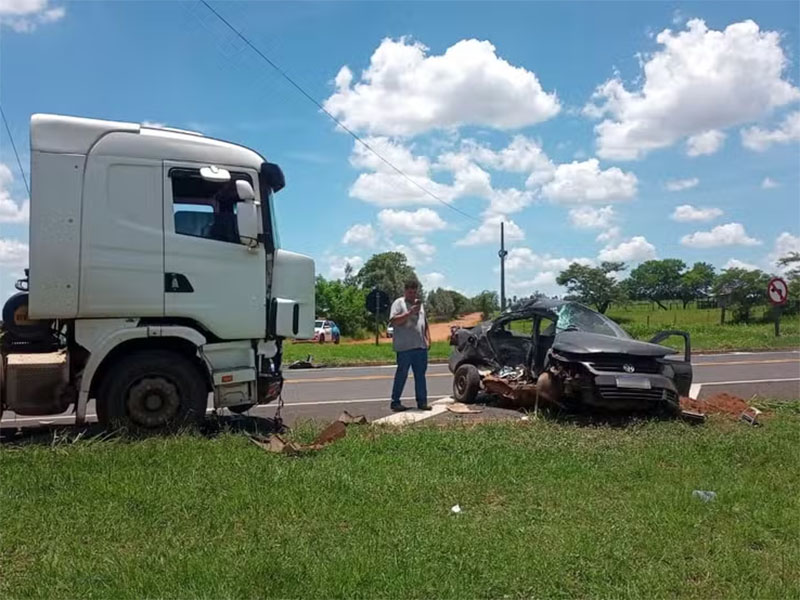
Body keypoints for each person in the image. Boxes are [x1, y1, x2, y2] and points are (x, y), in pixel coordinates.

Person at [388, 279, 432, 412]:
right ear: (405, 291)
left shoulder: (420, 305)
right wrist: (409, 313)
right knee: (402, 374)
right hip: (405, 348)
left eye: (414, 292)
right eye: (410, 292)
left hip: (420, 347)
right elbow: (394, 321)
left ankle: (422, 402)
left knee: (420, 375)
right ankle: (395, 402)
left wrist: (428, 338)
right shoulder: (398, 303)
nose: (412, 294)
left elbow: (424, 322)